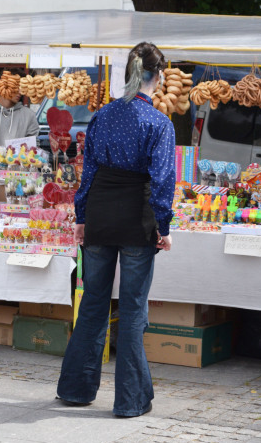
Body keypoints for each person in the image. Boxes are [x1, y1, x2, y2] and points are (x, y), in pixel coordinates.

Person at [56, 42, 175, 418]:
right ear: (159, 76)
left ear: (128, 73)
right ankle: (130, 400)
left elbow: (86, 173)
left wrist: (81, 218)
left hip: (101, 214)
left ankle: (76, 389)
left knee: (92, 303)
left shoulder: (102, 116)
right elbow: (162, 180)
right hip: (137, 218)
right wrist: (165, 225)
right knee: (133, 309)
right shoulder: (159, 122)